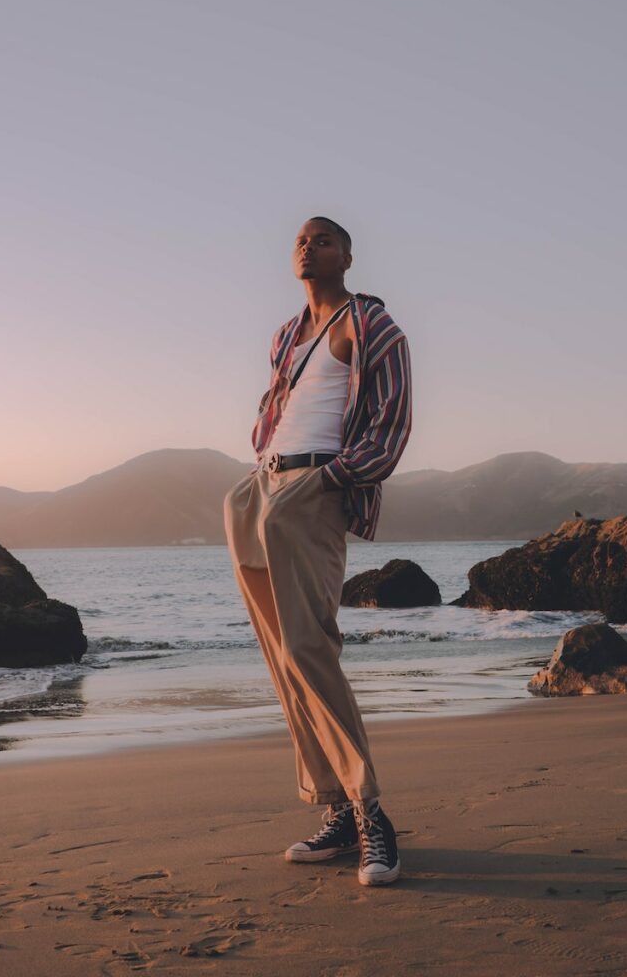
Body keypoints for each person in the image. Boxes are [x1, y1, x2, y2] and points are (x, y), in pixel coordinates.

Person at [223, 216, 412, 886]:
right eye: (301, 240)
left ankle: (370, 814)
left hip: (315, 488)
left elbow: (388, 430)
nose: (309, 247)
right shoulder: (285, 334)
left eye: (323, 239)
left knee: (309, 647)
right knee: (283, 659)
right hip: (262, 489)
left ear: (349, 256)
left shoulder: (374, 330)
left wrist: (324, 481)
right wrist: (259, 475)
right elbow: (275, 403)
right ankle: (333, 807)